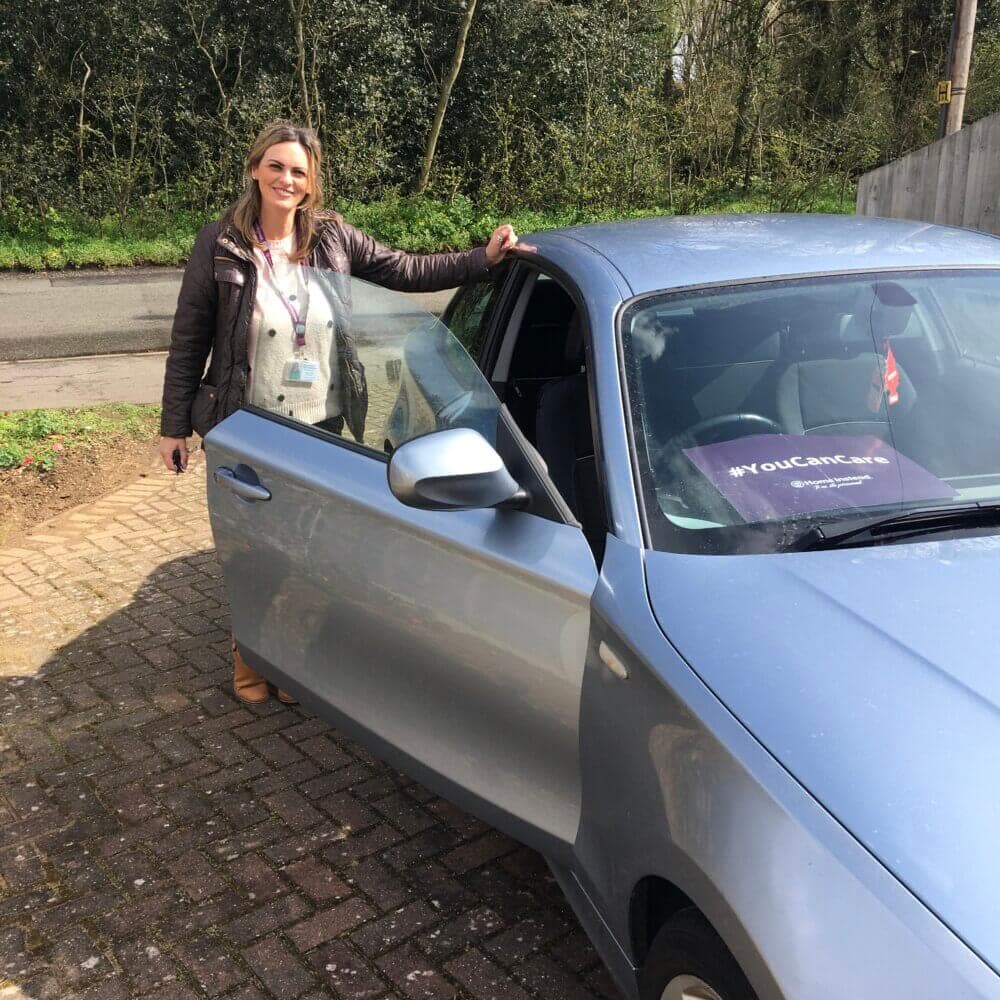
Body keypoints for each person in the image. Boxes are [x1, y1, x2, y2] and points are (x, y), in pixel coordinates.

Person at [158, 120, 525, 705]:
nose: (286, 178)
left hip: (322, 427)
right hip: (248, 427)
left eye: (298, 171)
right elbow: (189, 340)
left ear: (311, 184)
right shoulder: (219, 244)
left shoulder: (331, 237)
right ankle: (251, 659)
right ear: (255, 169)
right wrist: (173, 425)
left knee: (311, 550)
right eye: (275, 166)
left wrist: (481, 259)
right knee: (252, 547)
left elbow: (405, 270)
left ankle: (293, 658)